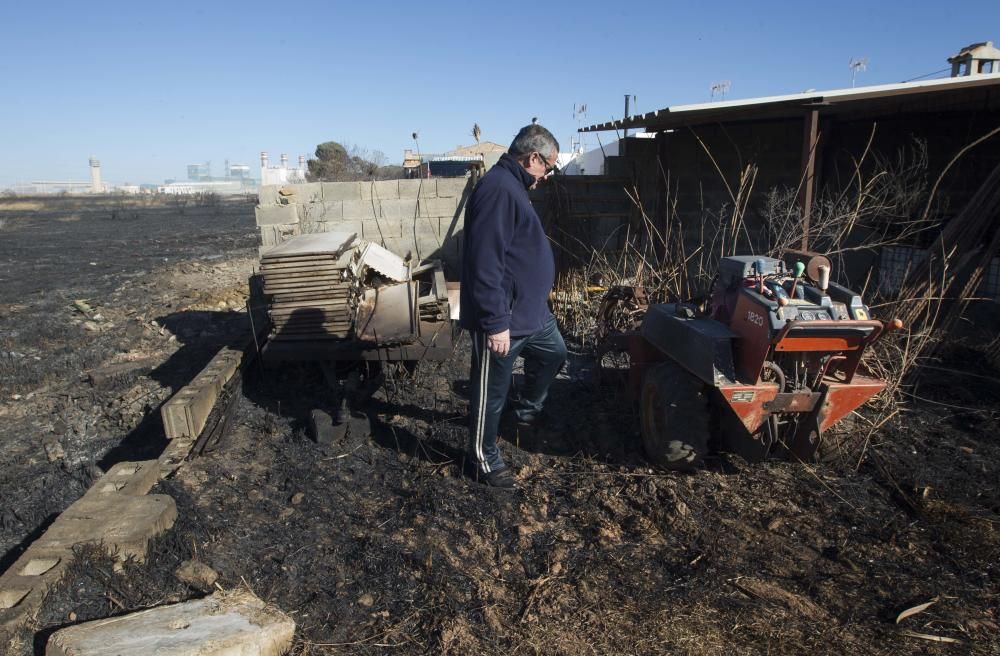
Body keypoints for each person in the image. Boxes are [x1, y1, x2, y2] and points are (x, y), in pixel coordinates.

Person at [459, 124, 568, 488]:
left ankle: (523, 415)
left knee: (555, 353)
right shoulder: (498, 190)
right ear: (532, 157)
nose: (547, 175)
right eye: (547, 167)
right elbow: (484, 262)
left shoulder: (514, 187)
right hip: (504, 317)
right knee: (490, 392)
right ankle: (482, 457)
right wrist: (495, 322)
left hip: (532, 314)